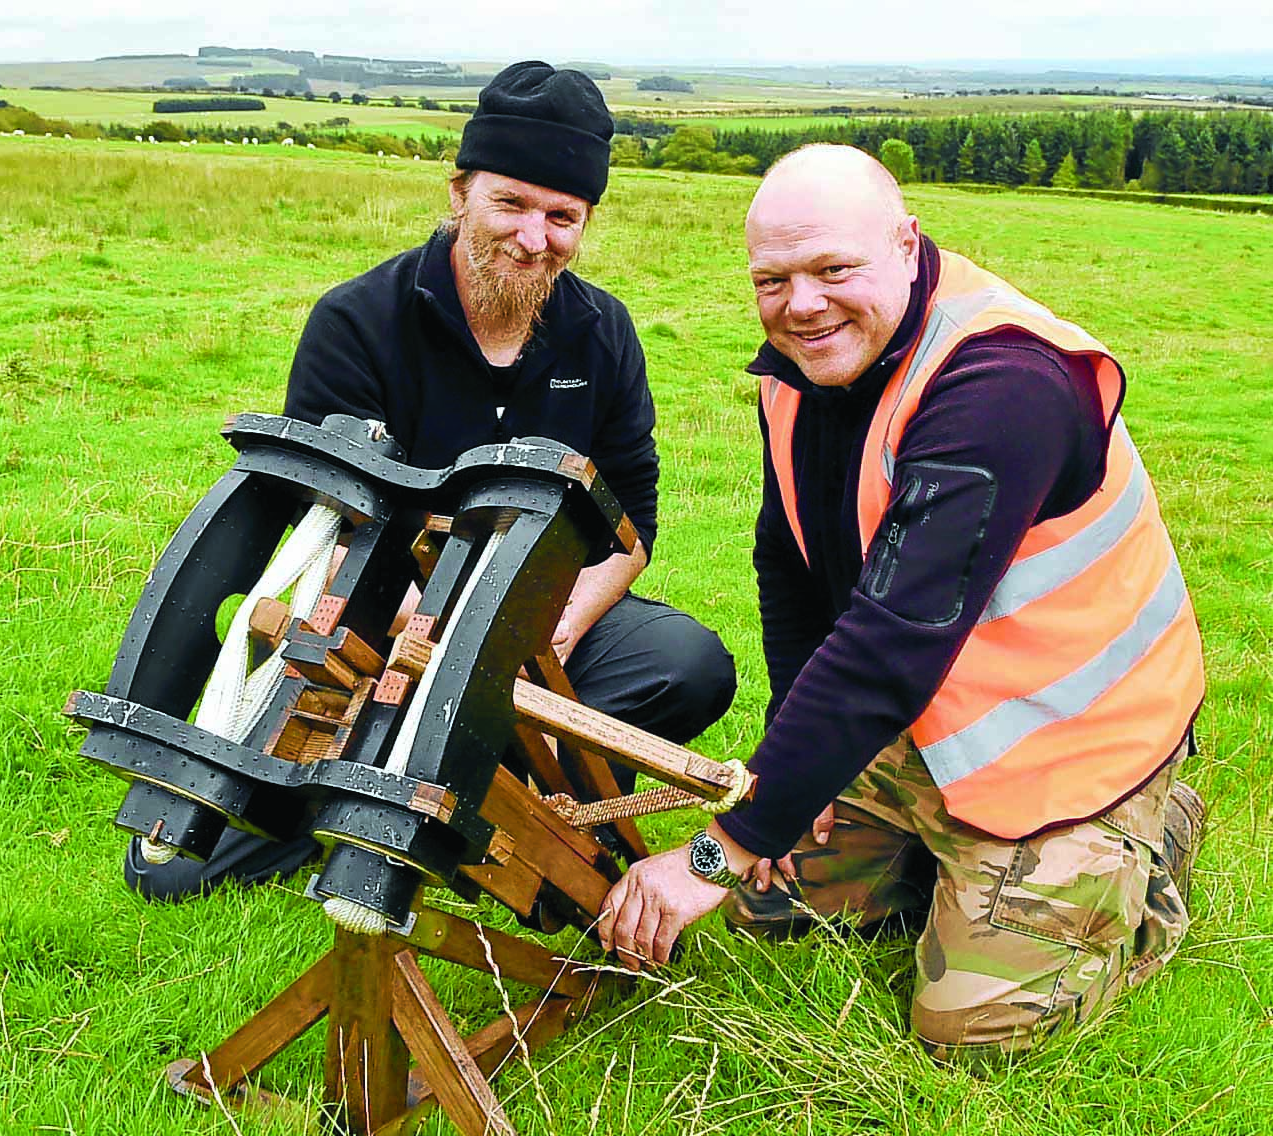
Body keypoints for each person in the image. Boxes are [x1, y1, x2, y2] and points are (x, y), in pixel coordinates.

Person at [598, 143, 1206, 1067]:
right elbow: (791, 565)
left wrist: (718, 847)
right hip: (937, 715)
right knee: (776, 907)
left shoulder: (1003, 385)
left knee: (974, 1034)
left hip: (1078, 734)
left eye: (833, 269)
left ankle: (1146, 849)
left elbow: (890, 642)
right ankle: (954, 863)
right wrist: (795, 786)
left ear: (906, 242)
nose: (803, 304)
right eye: (774, 279)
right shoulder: (802, 370)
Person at [124, 61, 736, 901]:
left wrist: (547, 630)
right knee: (175, 874)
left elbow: (634, 525)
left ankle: (493, 790)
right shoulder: (359, 321)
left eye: (563, 216)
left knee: (687, 664)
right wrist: (446, 642)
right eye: (511, 203)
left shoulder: (604, 334)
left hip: (544, 619)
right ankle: (407, 787)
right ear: (459, 193)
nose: (534, 237)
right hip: (378, 629)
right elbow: (322, 530)